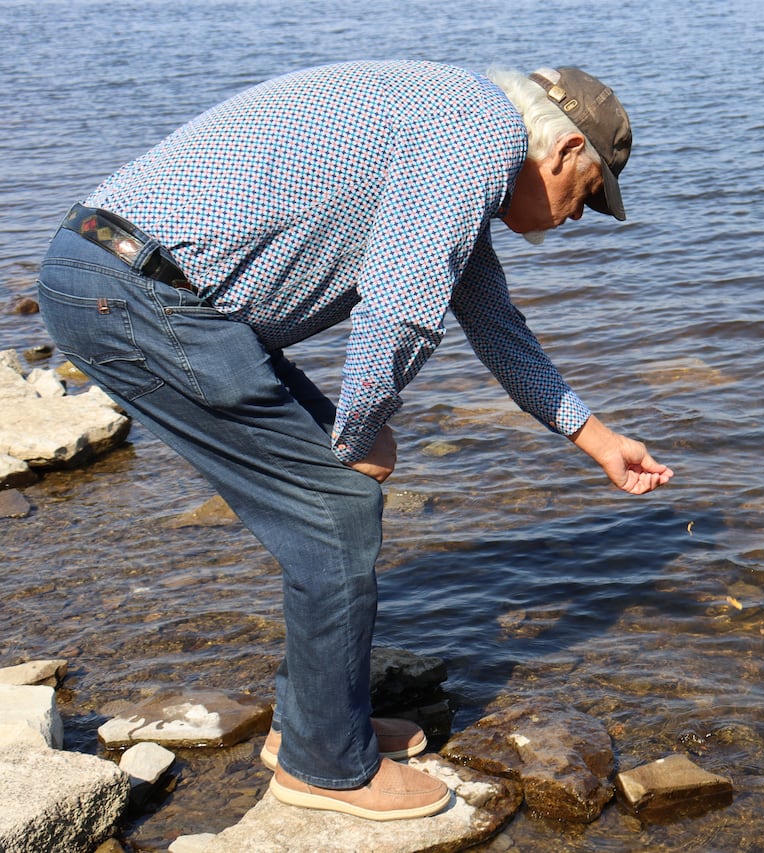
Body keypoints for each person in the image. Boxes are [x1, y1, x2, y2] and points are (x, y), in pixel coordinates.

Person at [36, 61, 673, 821]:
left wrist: (599, 439)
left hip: (137, 281)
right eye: (590, 196)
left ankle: (311, 727)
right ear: (566, 150)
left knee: (334, 497)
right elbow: (399, 313)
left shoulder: (457, 135)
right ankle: (327, 767)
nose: (577, 217)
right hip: (141, 294)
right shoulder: (475, 136)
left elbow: (498, 329)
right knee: (337, 510)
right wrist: (361, 430)